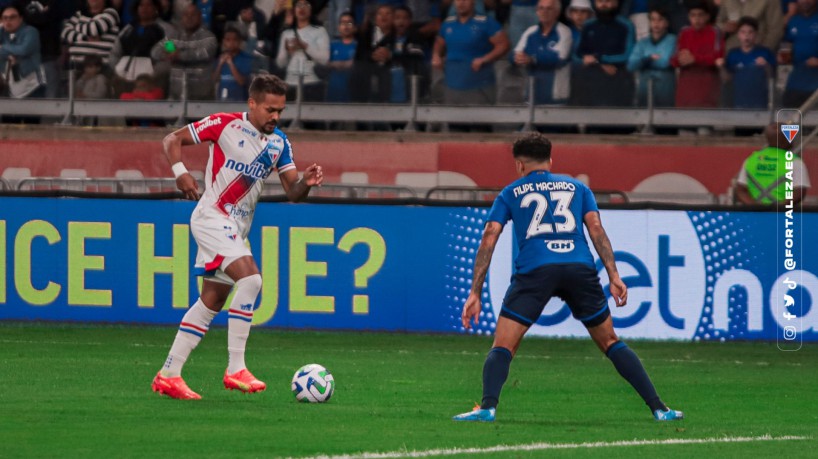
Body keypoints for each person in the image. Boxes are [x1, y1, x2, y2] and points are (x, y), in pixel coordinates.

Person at [452, 133, 684, 423]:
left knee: (503, 346)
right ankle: (660, 408)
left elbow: (489, 237)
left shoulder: (510, 193)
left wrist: (475, 292)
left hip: (536, 270)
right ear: (550, 160)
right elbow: (596, 230)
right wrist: (613, 274)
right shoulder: (578, 188)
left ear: (519, 166)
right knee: (611, 341)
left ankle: (487, 407)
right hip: (579, 268)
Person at [152, 74, 324, 400]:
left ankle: (169, 374)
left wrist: (305, 181)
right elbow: (171, 140)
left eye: (280, 110)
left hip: (235, 228)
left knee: (212, 300)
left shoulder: (279, 143)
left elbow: (292, 192)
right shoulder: (225, 124)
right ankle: (236, 368)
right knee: (252, 280)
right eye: (270, 109)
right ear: (252, 103)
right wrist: (181, 173)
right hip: (212, 217)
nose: (275, 116)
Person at [571, 0, 635, 107]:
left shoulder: (626, 25)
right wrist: (599, 63)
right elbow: (576, 56)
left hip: (617, 80)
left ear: (616, 3)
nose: (604, 4)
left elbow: (627, 55)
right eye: (600, 1)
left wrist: (598, 59)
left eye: (608, 1)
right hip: (589, 84)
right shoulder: (588, 25)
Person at [152, 3, 217, 101]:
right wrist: (168, 53)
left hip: (202, 96)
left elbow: (204, 53)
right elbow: (155, 51)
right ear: (181, 18)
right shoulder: (173, 37)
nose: (189, 17)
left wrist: (179, 55)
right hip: (176, 94)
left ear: (200, 17)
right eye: (186, 15)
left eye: (193, 14)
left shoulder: (208, 37)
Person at [512, 0, 572, 105]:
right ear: (537, 11)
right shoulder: (531, 31)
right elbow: (515, 53)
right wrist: (517, 58)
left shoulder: (564, 32)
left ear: (557, 12)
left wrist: (532, 59)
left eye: (549, 8)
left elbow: (559, 59)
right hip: (532, 95)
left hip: (555, 96)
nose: (544, 12)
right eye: (541, 8)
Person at [734, 123, 811, 205]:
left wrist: (756, 208)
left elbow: (740, 191)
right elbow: (799, 193)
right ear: (787, 140)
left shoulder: (750, 160)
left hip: (755, 216)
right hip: (783, 216)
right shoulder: (795, 162)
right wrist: (777, 210)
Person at [275, 0, 330, 102]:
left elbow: (324, 59)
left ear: (311, 9)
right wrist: (287, 51)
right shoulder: (286, 33)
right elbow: (280, 64)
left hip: (311, 82)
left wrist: (305, 46)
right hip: (290, 82)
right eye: (298, 5)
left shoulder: (320, 31)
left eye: (306, 5)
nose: (302, 8)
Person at [671, 2, 723, 108]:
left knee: (705, 123)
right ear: (688, 17)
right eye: (693, 15)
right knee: (684, 123)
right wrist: (680, 59)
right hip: (686, 92)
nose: (697, 19)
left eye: (700, 15)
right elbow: (673, 60)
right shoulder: (684, 32)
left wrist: (695, 59)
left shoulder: (715, 32)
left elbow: (718, 58)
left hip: (707, 92)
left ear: (707, 16)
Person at [718, 16, 775, 110]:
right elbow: (727, 79)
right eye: (743, 32)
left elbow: (772, 76)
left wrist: (766, 66)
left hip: (760, 103)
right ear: (738, 35)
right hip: (738, 102)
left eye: (750, 32)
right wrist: (721, 67)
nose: (746, 36)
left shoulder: (765, 52)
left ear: (756, 34)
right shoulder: (733, 53)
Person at [627, 7, 676, 107]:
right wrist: (648, 59)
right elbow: (631, 65)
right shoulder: (642, 42)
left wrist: (642, 62)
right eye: (653, 19)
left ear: (667, 23)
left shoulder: (672, 40)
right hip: (644, 91)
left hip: (665, 90)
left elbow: (665, 62)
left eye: (660, 19)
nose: (656, 23)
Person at [61, 0, 121, 68]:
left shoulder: (111, 13)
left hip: (99, 66)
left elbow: (94, 29)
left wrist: (75, 27)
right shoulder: (79, 14)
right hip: (76, 64)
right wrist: (84, 38)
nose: (95, 2)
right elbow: (65, 33)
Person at [780, 0, 818, 108]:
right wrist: (783, 57)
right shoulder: (792, 21)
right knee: (789, 120)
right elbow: (786, 45)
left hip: (815, 84)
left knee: (813, 120)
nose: (805, 1)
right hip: (796, 81)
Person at [214, 26, 253, 101]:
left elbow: (241, 81)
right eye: (228, 40)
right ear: (224, 42)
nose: (231, 42)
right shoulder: (220, 58)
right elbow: (215, 80)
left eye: (234, 40)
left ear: (239, 42)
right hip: (221, 100)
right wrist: (220, 64)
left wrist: (230, 63)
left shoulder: (246, 58)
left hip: (240, 101)